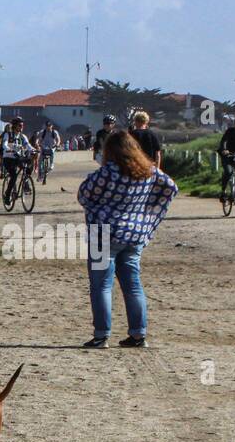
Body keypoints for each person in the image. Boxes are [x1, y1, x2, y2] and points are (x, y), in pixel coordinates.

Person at [76, 129, 178, 349]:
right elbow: (171, 188)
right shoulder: (148, 171)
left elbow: (84, 193)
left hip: (104, 234)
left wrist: (98, 209)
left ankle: (101, 335)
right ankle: (138, 335)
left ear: (110, 151)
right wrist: (148, 213)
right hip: (134, 236)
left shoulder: (109, 172)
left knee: (101, 286)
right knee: (133, 285)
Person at [0, 117, 34, 192]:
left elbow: (28, 145)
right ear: (15, 126)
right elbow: (4, 144)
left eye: (22, 125)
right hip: (8, 159)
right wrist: (8, 149)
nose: (22, 127)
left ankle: (26, 181)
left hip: (17, 158)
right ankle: (7, 195)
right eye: (20, 125)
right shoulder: (8, 135)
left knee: (29, 162)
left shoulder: (22, 136)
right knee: (14, 176)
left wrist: (34, 150)